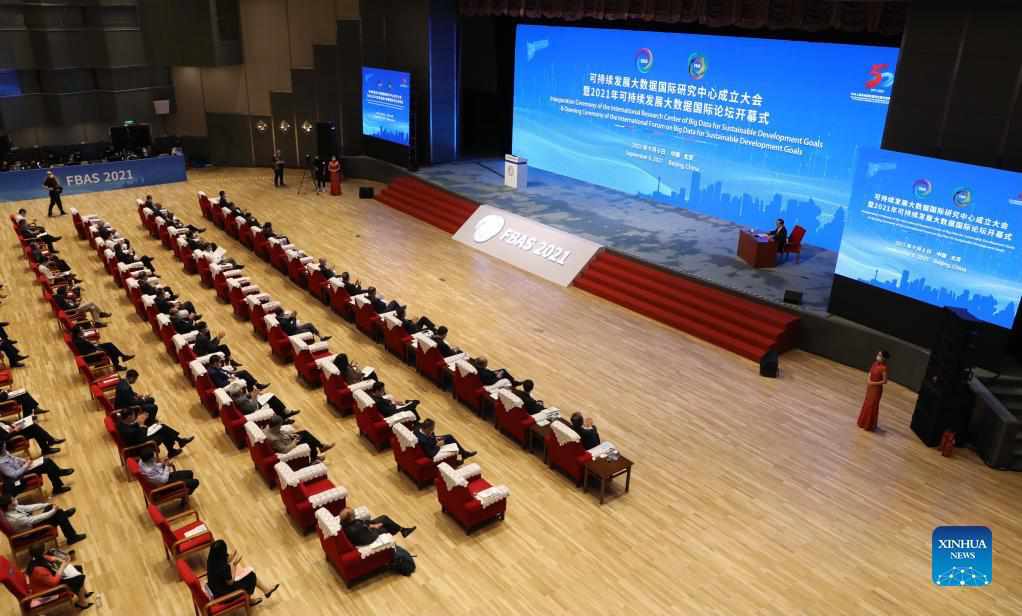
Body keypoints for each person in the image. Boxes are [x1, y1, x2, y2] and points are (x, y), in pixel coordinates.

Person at [206, 540, 279, 607]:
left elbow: (226, 559)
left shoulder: (211, 559)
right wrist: (234, 565)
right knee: (251, 577)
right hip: (223, 595)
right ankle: (248, 601)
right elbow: (230, 582)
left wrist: (233, 555)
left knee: (248, 574)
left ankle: (266, 590)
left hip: (215, 589)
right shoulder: (223, 567)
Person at [25, 544, 93, 609]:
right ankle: (82, 603)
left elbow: (50, 558)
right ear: (42, 551)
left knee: (77, 569)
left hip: (47, 582)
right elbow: (54, 582)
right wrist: (62, 567)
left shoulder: (35, 558)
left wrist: (62, 560)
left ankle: (84, 593)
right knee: (77, 579)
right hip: (47, 591)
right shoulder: (39, 571)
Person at [1, 495, 87, 544]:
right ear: (9, 505)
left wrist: (46, 505)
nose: (15, 500)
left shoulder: (12, 508)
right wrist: (53, 511)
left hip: (30, 524)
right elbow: (35, 519)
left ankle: (63, 515)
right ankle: (72, 537)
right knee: (57, 513)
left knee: (52, 509)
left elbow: (28, 507)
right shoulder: (15, 519)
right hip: (31, 532)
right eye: (13, 500)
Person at [0, 439, 74, 495]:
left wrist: (24, 461)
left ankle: (58, 485)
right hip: (21, 475)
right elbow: (14, 475)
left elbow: (15, 458)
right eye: (3, 446)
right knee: (47, 463)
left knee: (47, 463)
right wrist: (26, 465)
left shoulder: (4, 453)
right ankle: (59, 476)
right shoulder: (2, 464)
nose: (5, 446)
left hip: (25, 467)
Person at [116, 408, 193, 458]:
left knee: (161, 426)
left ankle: (178, 443)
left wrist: (137, 422)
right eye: (133, 416)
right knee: (162, 434)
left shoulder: (121, 422)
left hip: (138, 436)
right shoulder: (128, 430)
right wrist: (141, 425)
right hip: (139, 446)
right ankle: (173, 448)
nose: (135, 417)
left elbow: (132, 427)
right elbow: (141, 438)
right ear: (129, 417)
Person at [264, 415, 333, 460]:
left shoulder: (268, 428)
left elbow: (280, 432)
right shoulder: (274, 439)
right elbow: (284, 450)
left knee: (305, 432)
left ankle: (321, 446)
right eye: (280, 425)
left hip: (287, 438)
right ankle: (314, 458)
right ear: (276, 425)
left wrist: (290, 434)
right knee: (309, 441)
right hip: (289, 444)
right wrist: (294, 442)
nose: (281, 426)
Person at [339, 507, 415, 545]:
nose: (355, 514)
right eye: (353, 514)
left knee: (384, 518)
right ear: (350, 518)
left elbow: (364, 525)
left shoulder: (344, 522)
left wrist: (371, 525)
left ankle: (403, 530)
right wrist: (376, 526)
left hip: (364, 530)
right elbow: (366, 529)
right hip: (368, 537)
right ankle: (398, 534)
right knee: (385, 526)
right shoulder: (356, 526)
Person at [227, 382, 298, 421]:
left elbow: (245, 396)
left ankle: (284, 416)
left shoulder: (235, 396)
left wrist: (253, 393)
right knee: (271, 397)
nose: (242, 389)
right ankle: (285, 413)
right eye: (241, 389)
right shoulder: (241, 400)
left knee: (269, 398)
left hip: (250, 405)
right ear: (239, 391)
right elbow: (253, 407)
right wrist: (254, 396)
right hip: (253, 409)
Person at [857, 350, 890, 432]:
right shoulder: (874, 363)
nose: (878, 356)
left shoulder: (884, 368)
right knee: (866, 404)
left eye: (880, 355)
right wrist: (869, 380)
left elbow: (885, 381)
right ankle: (862, 422)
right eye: (878, 354)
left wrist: (873, 383)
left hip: (876, 390)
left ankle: (869, 425)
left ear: (884, 358)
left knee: (872, 406)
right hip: (870, 388)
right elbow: (870, 372)